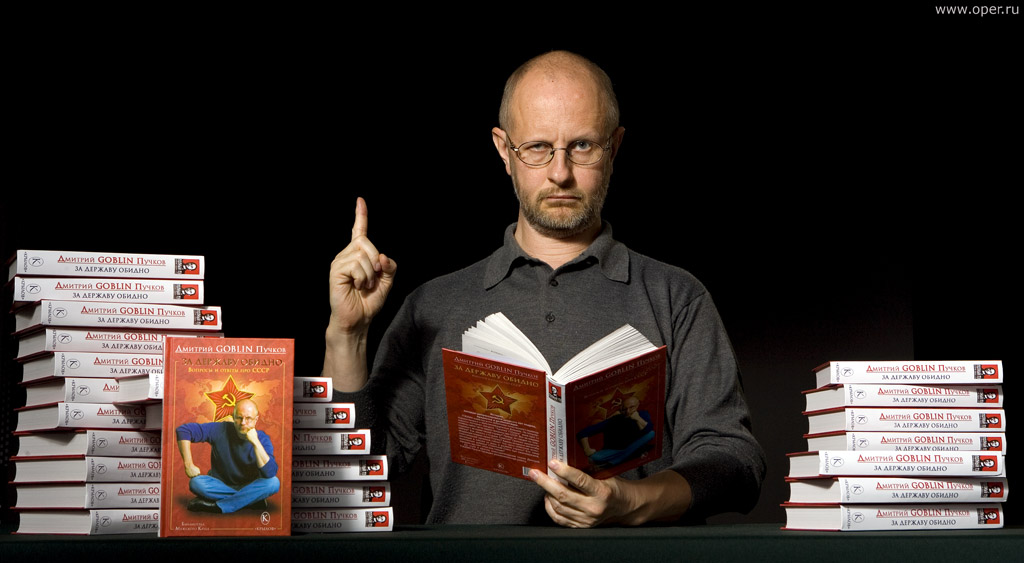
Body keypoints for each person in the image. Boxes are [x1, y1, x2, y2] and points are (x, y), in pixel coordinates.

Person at [325, 50, 765, 527]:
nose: (560, 173)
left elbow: (735, 461)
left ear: (614, 147)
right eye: (536, 147)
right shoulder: (434, 304)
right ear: (503, 150)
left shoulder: (677, 297)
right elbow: (356, 470)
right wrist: (346, 335)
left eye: (582, 146)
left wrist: (632, 502)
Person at [175, 399, 280, 513]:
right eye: (239, 417)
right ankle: (251, 499)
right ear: (233, 417)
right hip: (220, 485)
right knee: (196, 483)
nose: (243, 423)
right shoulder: (220, 429)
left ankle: (218, 506)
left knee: (273, 483)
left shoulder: (263, 439)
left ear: (256, 420)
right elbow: (184, 430)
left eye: (248, 418)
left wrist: (255, 442)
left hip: (250, 486)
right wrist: (188, 464)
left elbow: (269, 473)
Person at [577, 396, 655, 469]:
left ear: (637, 405)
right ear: (621, 408)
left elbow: (649, 430)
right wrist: (587, 449)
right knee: (595, 457)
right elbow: (583, 432)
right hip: (614, 450)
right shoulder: (614, 419)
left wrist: (638, 419)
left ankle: (616, 460)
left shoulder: (643, 414)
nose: (628, 411)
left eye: (631, 407)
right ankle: (622, 458)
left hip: (632, 446)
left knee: (651, 434)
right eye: (624, 409)